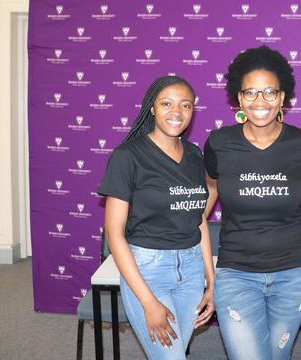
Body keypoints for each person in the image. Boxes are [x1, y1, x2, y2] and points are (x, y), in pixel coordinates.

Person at [203, 45, 301, 360]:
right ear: (238, 98)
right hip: (236, 274)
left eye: (270, 92)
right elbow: (200, 211)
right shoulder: (219, 143)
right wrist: (208, 276)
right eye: (251, 93)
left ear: (283, 97)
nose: (260, 101)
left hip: (294, 276)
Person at [97, 75, 215, 359]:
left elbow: (198, 220)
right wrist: (148, 301)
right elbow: (114, 234)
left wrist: (212, 282)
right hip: (149, 271)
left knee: (175, 353)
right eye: (167, 103)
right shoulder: (127, 156)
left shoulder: (195, 154)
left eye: (185, 105)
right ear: (151, 108)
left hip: (191, 270)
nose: (177, 112)